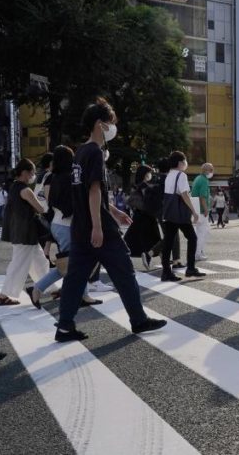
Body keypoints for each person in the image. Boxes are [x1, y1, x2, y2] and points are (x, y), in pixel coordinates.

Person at [55, 98, 166, 341]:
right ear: (99, 124)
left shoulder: (80, 152)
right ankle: (138, 320)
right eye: (109, 122)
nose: (112, 128)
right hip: (99, 229)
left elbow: (87, 192)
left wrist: (113, 211)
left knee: (75, 278)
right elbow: (94, 190)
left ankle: (64, 326)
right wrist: (99, 225)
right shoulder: (94, 152)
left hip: (81, 227)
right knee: (124, 272)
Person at [30, 146, 100, 308]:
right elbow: (74, 204)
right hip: (67, 225)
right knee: (70, 264)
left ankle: (83, 295)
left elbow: (50, 201)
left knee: (73, 263)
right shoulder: (69, 178)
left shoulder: (52, 177)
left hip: (58, 224)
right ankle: (37, 288)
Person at [0, 159, 50, 305]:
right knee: (19, 265)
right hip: (25, 232)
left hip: (20, 231)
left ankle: (52, 288)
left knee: (40, 261)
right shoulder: (26, 190)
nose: (33, 175)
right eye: (32, 172)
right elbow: (40, 208)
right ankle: (4, 295)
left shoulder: (14, 187)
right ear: (25, 173)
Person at [160, 151, 205, 281]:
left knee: (168, 242)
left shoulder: (169, 175)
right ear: (180, 163)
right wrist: (194, 211)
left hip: (169, 212)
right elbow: (184, 194)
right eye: (185, 161)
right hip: (180, 213)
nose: (186, 163)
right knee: (192, 238)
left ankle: (166, 272)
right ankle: (190, 268)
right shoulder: (181, 175)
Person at [124, 165, 163, 271]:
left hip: (139, 215)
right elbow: (148, 201)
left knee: (134, 240)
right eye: (149, 173)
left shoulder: (137, 185)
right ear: (145, 174)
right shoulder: (144, 185)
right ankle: (157, 258)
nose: (150, 175)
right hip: (147, 215)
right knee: (153, 239)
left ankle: (156, 258)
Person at [191, 162, 213, 261]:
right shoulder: (204, 180)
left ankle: (199, 251)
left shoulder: (197, 178)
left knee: (202, 231)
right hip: (200, 210)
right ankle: (198, 253)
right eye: (211, 170)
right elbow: (202, 197)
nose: (212, 172)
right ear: (206, 170)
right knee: (202, 233)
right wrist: (205, 209)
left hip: (195, 209)